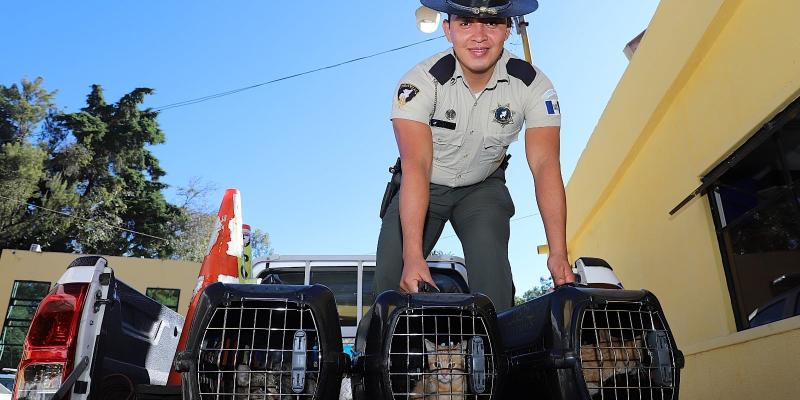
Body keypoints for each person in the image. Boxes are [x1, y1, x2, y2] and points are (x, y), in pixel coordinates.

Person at [375, 0, 575, 311]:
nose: (479, 36)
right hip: (425, 183)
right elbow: (417, 165)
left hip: (482, 188)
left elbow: (545, 165)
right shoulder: (419, 83)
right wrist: (412, 256)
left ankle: (493, 342)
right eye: (465, 23)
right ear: (448, 30)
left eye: (492, 23)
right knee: (390, 289)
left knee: (495, 290)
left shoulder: (534, 86)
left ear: (507, 29)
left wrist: (558, 252)